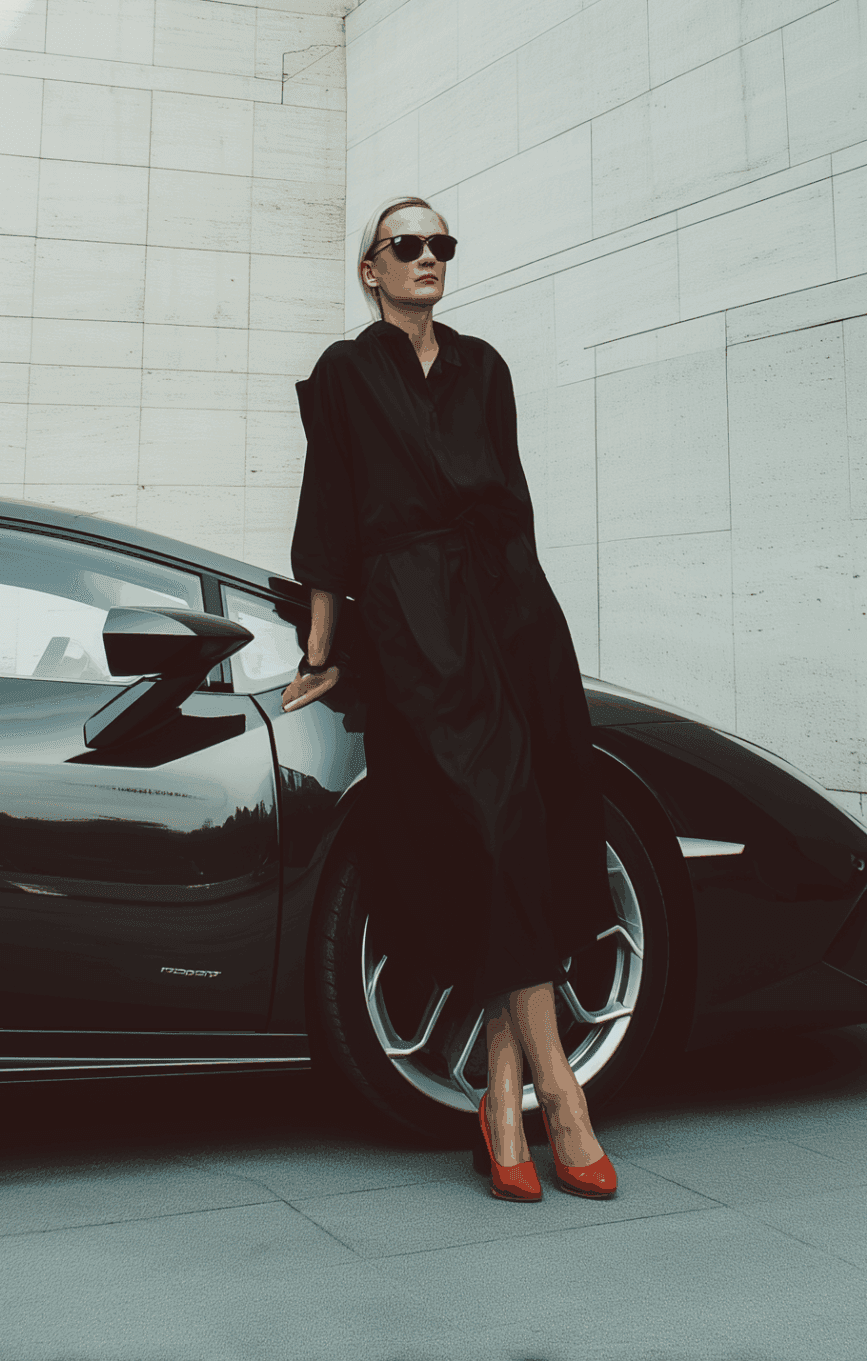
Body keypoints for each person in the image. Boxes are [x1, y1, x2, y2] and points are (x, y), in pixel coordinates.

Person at [282, 195, 618, 1204]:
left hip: (512, 607)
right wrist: (324, 643)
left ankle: (502, 1102)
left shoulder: (485, 366)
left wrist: (533, 618)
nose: (428, 256)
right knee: (494, 825)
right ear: (371, 270)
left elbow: (512, 498)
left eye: (440, 244)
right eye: (407, 244)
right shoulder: (346, 373)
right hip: (415, 616)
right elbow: (329, 508)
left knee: (538, 824)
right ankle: (563, 1095)